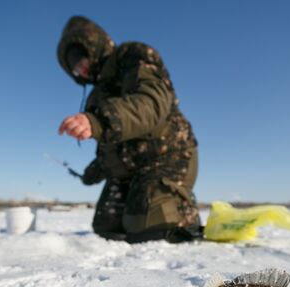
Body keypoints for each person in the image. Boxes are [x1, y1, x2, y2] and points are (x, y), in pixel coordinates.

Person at [57, 16, 201, 243]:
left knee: (146, 223)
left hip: (169, 155)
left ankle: (184, 216)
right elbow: (110, 149)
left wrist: (99, 121)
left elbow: (151, 103)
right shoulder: (97, 95)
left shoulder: (133, 56)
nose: (80, 68)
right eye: (74, 67)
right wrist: (94, 171)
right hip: (132, 169)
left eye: (80, 58)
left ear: (93, 45)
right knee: (106, 225)